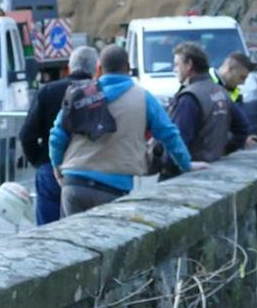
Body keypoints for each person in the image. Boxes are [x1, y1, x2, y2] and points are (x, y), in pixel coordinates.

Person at [49, 45, 204, 216]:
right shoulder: (144, 98)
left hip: (74, 183)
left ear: (99, 68)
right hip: (113, 187)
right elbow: (169, 134)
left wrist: (57, 166)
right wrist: (186, 164)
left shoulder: (80, 94)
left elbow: (57, 136)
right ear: (128, 68)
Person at [19, 46, 98, 225]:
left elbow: (26, 135)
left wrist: (41, 161)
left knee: (49, 230)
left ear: (69, 67)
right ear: (95, 69)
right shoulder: (98, 94)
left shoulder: (48, 91)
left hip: (52, 167)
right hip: (89, 169)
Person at [170, 42, 250, 166]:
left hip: (187, 171)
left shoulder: (190, 97)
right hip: (213, 165)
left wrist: (170, 164)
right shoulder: (222, 92)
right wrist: (223, 150)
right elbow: (243, 128)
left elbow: (178, 141)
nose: (174, 69)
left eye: (177, 64)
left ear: (189, 65)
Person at [209, 51, 257, 145]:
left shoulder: (235, 92)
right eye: (242, 77)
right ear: (230, 69)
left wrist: (245, 137)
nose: (243, 83)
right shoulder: (205, 83)